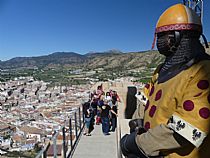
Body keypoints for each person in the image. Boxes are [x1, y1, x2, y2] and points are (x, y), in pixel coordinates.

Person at [120, 3, 210, 158]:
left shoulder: (203, 72)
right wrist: (137, 123)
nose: (159, 42)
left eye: (162, 36)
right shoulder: (162, 70)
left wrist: (138, 143)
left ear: (175, 37)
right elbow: (144, 98)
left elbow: (188, 129)